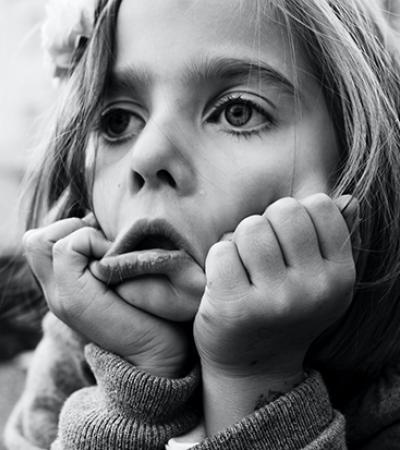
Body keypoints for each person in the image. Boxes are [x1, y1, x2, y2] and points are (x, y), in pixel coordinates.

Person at [4, 0, 400, 448]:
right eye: (117, 121)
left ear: (363, 167)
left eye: (238, 111)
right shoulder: (78, 341)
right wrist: (136, 390)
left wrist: (256, 376)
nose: (147, 155)